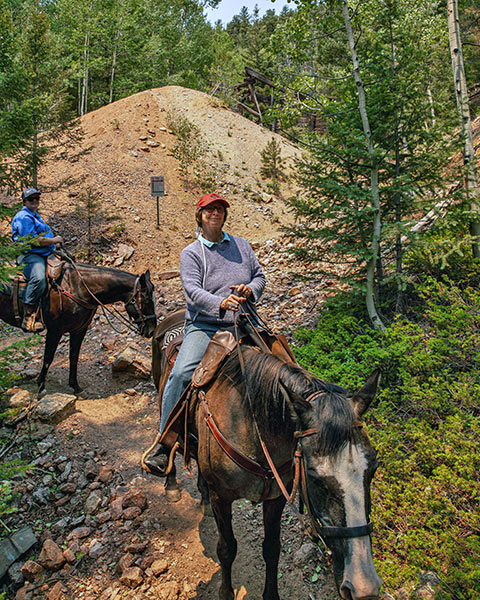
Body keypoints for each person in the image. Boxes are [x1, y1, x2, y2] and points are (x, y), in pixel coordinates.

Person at [145, 192, 266, 476]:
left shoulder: (242, 246)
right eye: (209, 210)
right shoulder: (191, 253)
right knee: (183, 372)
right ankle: (165, 444)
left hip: (246, 321)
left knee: (282, 362)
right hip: (207, 325)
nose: (215, 214)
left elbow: (259, 276)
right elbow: (192, 291)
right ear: (200, 216)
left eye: (220, 209)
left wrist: (251, 289)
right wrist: (219, 302)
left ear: (225, 215)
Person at [11, 188, 63, 333]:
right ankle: (29, 315)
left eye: (37, 199)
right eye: (31, 199)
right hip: (30, 255)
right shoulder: (23, 217)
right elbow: (32, 240)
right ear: (24, 202)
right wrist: (54, 240)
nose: (35, 201)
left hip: (45, 253)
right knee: (39, 277)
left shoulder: (34, 215)